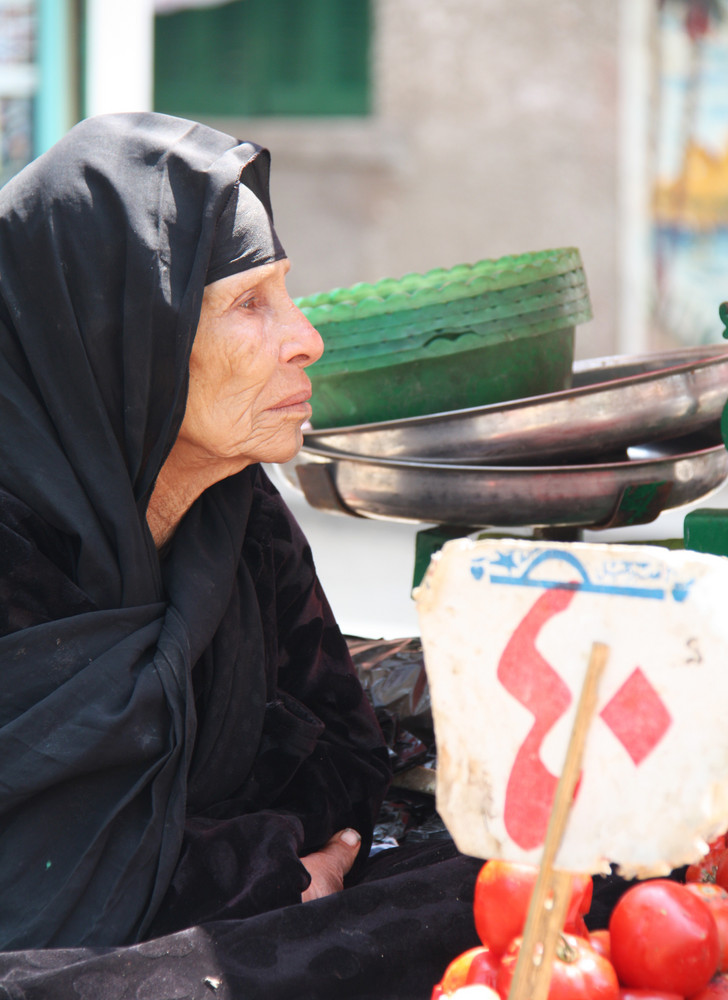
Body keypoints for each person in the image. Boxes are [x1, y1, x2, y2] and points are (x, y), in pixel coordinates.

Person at [0, 112, 482, 999]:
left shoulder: (235, 514)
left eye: (286, 295)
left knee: (523, 886)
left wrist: (249, 868)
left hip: (222, 922)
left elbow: (344, 754)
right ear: (124, 336)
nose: (307, 338)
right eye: (250, 305)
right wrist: (259, 871)